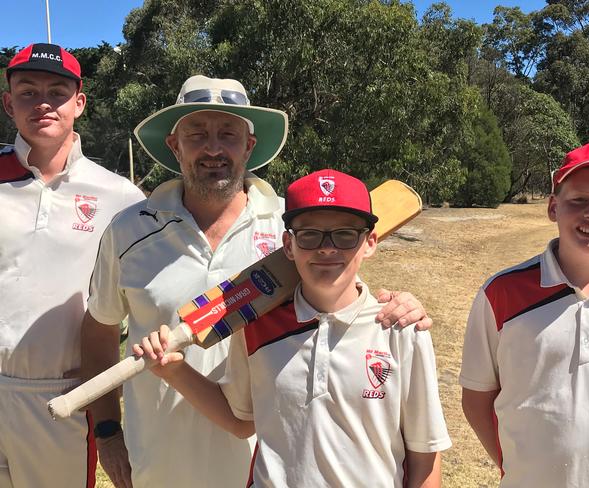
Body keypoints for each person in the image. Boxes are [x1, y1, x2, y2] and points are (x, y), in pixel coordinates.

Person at [81, 75, 433, 488]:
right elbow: (99, 330)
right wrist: (107, 431)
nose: (213, 148)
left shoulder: (294, 229)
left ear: (249, 146)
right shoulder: (128, 231)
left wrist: (401, 305)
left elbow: (339, 297)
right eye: (198, 134)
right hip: (158, 464)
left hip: (263, 469)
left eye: (228, 134)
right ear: (174, 145)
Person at [136, 168, 452, 487]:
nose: (327, 248)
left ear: (369, 242)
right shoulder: (257, 325)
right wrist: (174, 372)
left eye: (345, 235)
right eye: (310, 235)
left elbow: (424, 456)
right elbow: (239, 419)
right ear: (288, 244)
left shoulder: (400, 329)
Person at [460, 142, 589, 487]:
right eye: (579, 199)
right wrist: (515, 465)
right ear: (553, 207)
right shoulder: (501, 293)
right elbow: (476, 397)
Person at [0, 43, 144, 488]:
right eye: (27, 91)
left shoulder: (120, 198)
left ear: (79, 103)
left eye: (57, 92)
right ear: (8, 102)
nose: (42, 103)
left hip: (57, 399)